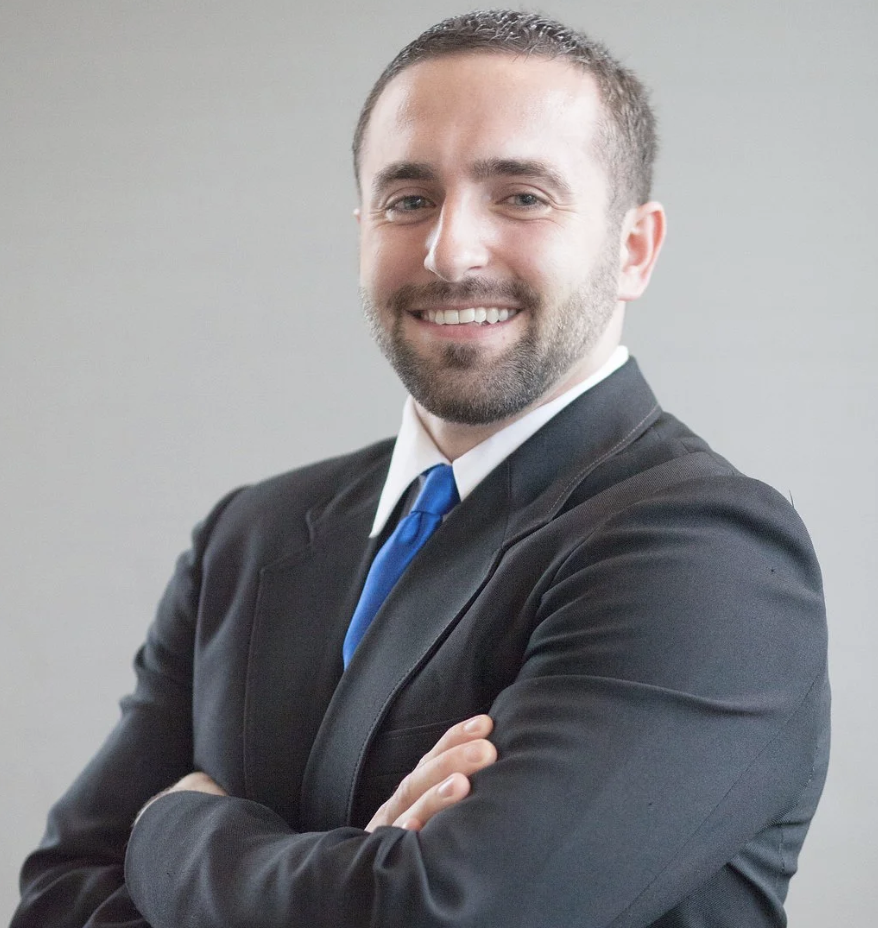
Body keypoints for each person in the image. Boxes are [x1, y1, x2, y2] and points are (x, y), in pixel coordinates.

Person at [11, 10, 829, 928]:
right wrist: (363, 877)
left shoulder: (706, 557)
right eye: (409, 200)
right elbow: (57, 897)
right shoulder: (249, 537)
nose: (450, 251)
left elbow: (445, 914)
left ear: (633, 248)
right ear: (362, 228)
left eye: (522, 196)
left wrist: (171, 832)